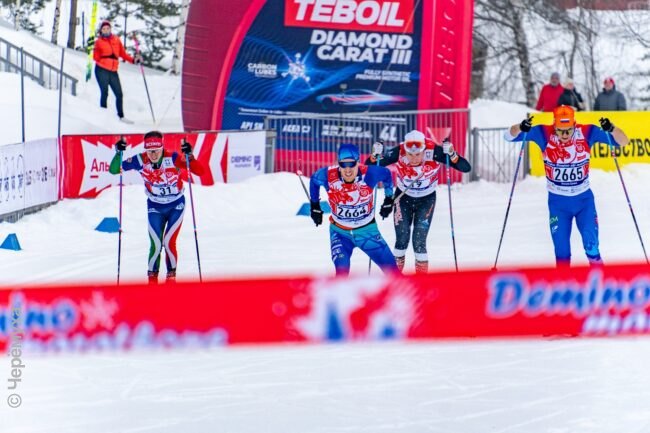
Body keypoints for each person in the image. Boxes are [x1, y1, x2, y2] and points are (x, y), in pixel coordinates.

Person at [505, 105, 629, 267]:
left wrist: (611, 129)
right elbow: (508, 136)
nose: (564, 135)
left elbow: (624, 142)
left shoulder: (586, 132)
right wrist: (520, 127)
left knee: (591, 246)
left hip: (584, 201)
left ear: (574, 125)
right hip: (558, 204)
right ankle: (564, 282)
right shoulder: (543, 133)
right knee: (562, 253)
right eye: (560, 130)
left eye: (568, 130)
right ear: (554, 126)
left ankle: (600, 277)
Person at [366, 130, 471, 273]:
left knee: (419, 241)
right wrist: (374, 156)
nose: (414, 159)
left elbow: (466, 168)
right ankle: (395, 278)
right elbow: (370, 168)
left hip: (426, 199)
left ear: (424, 149)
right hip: (403, 198)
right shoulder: (399, 151)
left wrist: (452, 154)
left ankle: (421, 280)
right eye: (410, 154)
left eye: (418, 154)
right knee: (402, 239)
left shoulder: (434, 151)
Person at [109, 131, 204, 284]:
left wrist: (190, 156)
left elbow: (200, 171)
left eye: (156, 151)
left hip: (176, 205)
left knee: (169, 241)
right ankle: (152, 280)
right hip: (155, 206)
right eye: (150, 151)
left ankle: (171, 278)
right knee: (156, 244)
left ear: (162, 148)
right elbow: (114, 170)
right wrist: (118, 153)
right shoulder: (140, 160)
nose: (153, 155)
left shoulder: (172, 158)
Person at [309, 143, 399, 276]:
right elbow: (314, 180)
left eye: (351, 164)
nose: (347, 170)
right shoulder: (328, 176)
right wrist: (315, 206)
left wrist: (388, 199)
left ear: (358, 162)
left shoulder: (369, 173)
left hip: (367, 232)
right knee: (342, 274)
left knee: (393, 273)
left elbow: (386, 175)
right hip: (340, 233)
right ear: (338, 163)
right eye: (343, 165)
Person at [93, 20, 142, 123]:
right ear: (101, 31)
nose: (106, 30)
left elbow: (123, 54)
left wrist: (133, 60)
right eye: (103, 29)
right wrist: (94, 49)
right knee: (104, 92)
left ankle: (121, 116)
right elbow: (96, 58)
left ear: (110, 29)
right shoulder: (99, 42)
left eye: (107, 28)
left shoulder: (116, 39)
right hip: (102, 70)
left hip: (113, 71)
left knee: (119, 94)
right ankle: (103, 116)